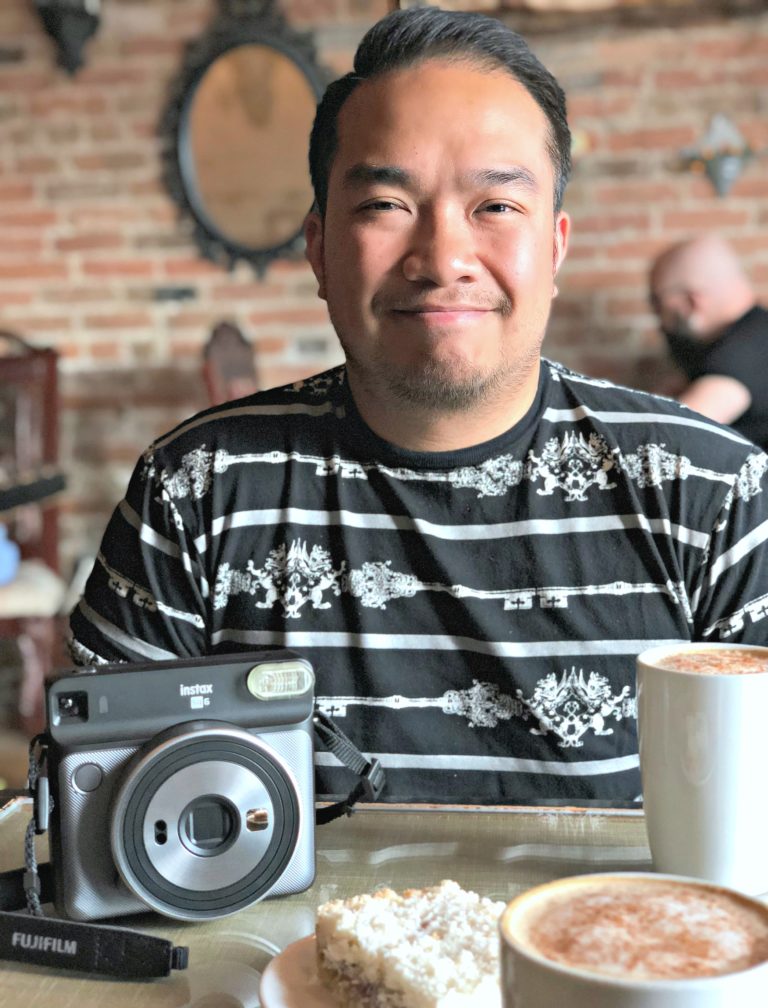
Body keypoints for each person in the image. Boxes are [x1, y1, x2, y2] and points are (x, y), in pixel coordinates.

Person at [70, 7, 768, 806]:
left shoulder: (714, 494)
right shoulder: (196, 489)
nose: (442, 260)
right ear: (320, 249)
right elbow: (105, 821)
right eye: (385, 206)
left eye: (496, 206)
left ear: (556, 247)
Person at [649, 235, 768, 450]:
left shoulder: (736, 357)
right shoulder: (757, 331)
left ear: (692, 301)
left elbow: (669, 439)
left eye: (658, 302)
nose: (660, 320)